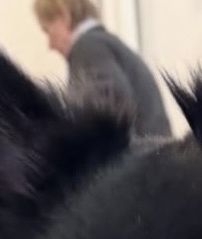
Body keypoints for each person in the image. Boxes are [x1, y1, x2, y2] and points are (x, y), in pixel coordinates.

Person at [34, 0, 171, 139]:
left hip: (139, 151)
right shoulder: (104, 44)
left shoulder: (88, 48)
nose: (50, 45)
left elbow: (109, 116)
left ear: (64, 16)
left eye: (47, 30)